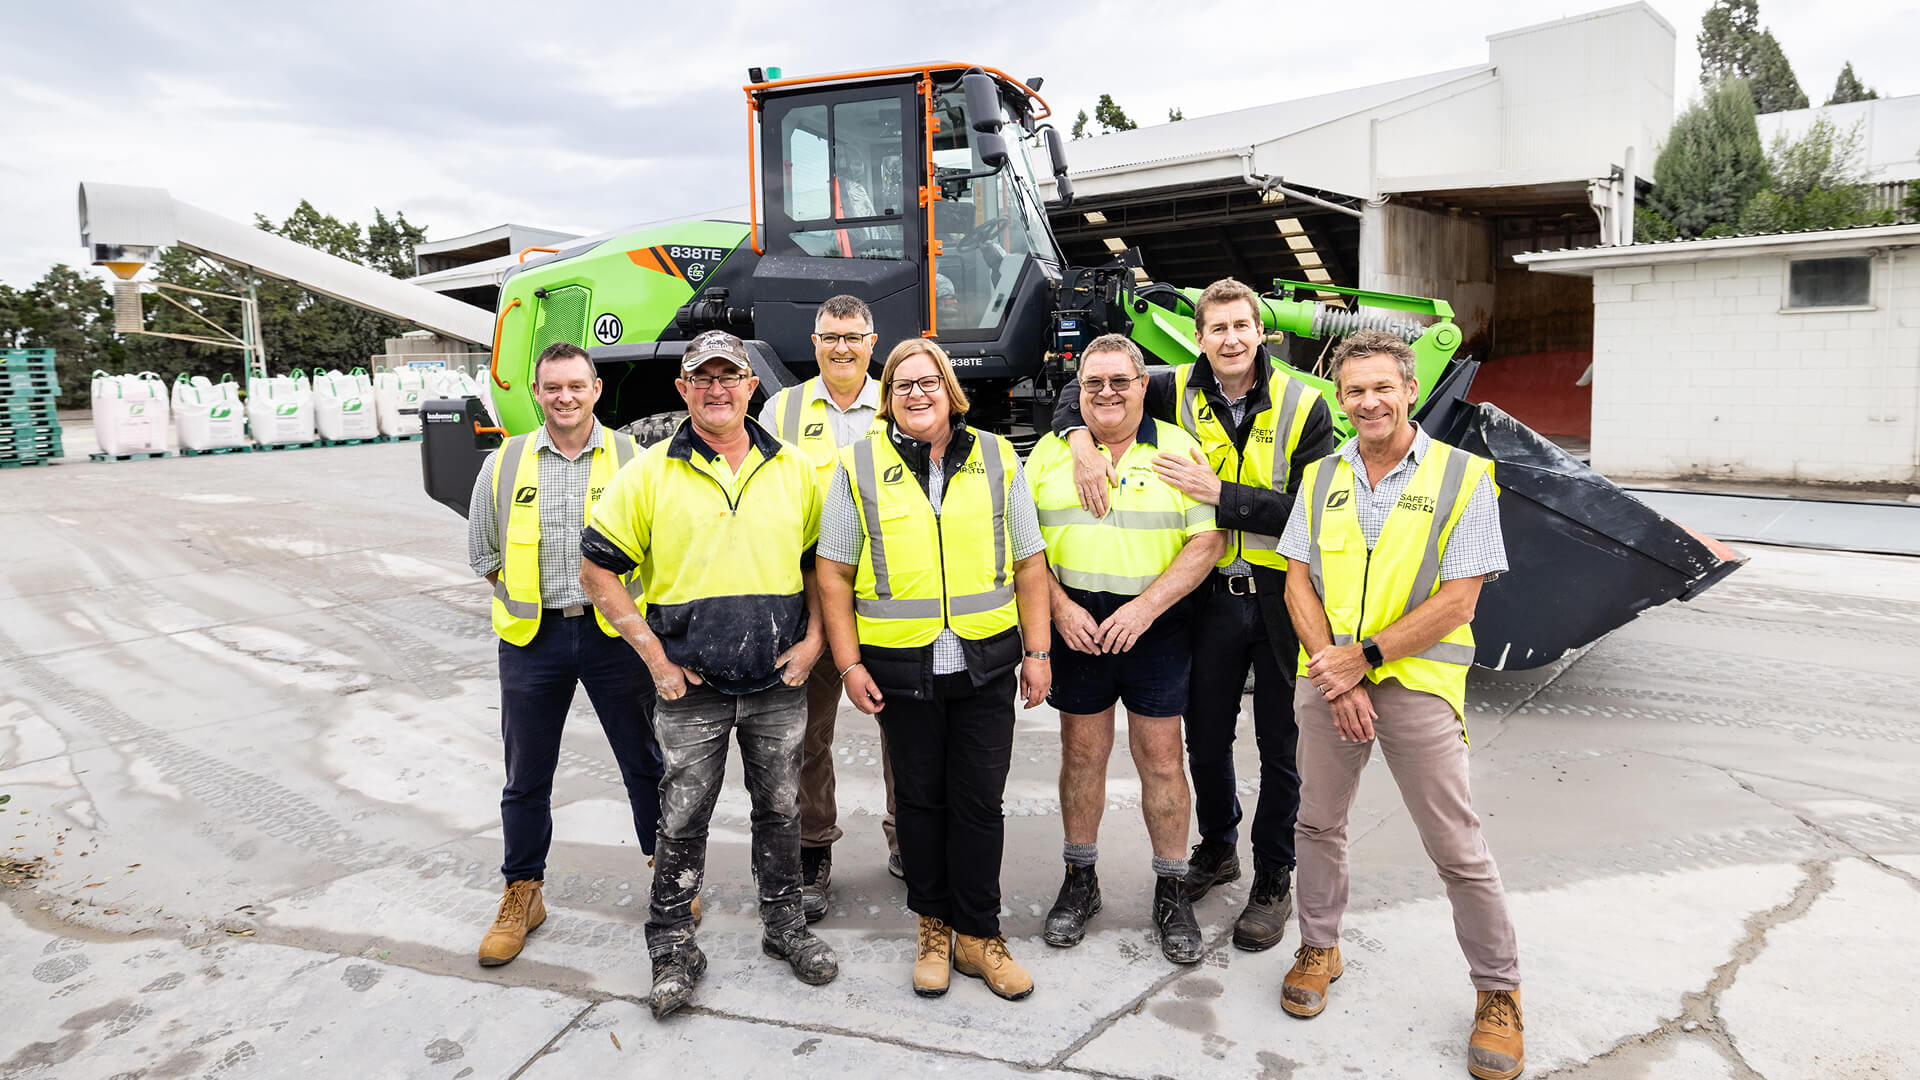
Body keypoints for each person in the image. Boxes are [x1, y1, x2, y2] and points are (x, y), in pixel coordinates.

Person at [1052, 278, 1334, 952]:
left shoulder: (1305, 405)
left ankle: (1273, 875)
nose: (1231, 340)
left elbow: (1322, 508)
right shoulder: (1174, 385)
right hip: (1206, 599)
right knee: (1205, 739)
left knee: (1279, 745)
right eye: (1218, 330)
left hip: (1277, 597)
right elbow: (1084, 386)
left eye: (1242, 327)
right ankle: (1218, 846)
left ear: (1260, 331)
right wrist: (1080, 443)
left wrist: (1226, 496)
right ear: (1200, 337)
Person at [1278, 330, 1523, 1080]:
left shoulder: (1463, 477)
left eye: (1382, 387)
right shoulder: (1322, 478)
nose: (1368, 402)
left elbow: (1459, 601)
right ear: (1341, 398)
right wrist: (1341, 676)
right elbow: (1296, 582)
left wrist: (1369, 660)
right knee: (1317, 824)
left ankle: (1499, 992)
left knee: (1457, 847)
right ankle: (1319, 946)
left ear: (1409, 390)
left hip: (1415, 684)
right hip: (1330, 682)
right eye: (1354, 391)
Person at [578, 330, 837, 1019]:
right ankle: (671, 946)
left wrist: (814, 643)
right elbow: (597, 569)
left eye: (731, 376)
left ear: (753, 386)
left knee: (781, 810)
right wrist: (655, 658)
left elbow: (822, 567)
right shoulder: (649, 474)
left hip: (778, 683)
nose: (718, 388)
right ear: (683, 389)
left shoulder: (795, 470)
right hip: (690, 687)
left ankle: (785, 928)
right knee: (682, 817)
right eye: (703, 377)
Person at [816, 338, 1052, 1001]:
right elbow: (833, 573)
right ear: (886, 400)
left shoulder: (1000, 459)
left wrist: (1037, 653)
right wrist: (848, 662)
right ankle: (933, 926)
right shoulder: (857, 465)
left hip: (984, 667)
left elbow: (1030, 561)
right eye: (901, 386)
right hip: (900, 669)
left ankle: (980, 935)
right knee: (920, 803)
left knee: (979, 803)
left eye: (927, 383)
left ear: (950, 390)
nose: (916, 395)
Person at [1027, 334, 1226, 964]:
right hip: (1077, 622)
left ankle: (1172, 890)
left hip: (1155, 624)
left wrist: (1145, 608)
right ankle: (1080, 881)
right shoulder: (1048, 456)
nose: (1107, 393)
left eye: (1120, 381)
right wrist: (1059, 608)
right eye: (1093, 383)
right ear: (1077, 390)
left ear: (1144, 385)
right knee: (1082, 755)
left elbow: (1208, 542)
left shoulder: (1176, 448)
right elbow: (1020, 548)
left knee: (1162, 758)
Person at [465, 342, 664, 968]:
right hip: (533, 642)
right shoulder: (505, 464)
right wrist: (533, 605)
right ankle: (523, 890)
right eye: (553, 387)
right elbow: (484, 554)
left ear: (597, 389)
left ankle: (669, 879)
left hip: (617, 638)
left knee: (646, 764)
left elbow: (662, 548)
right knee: (526, 776)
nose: (565, 397)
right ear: (538, 393)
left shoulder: (635, 459)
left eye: (576, 385)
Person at [757, 294, 903, 923]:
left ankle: (908, 837)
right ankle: (814, 850)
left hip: (890, 598)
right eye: (829, 337)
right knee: (808, 736)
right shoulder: (780, 409)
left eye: (853, 336)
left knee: (903, 732)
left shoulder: (902, 400)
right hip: (809, 605)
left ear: (873, 342)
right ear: (812, 342)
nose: (841, 347)